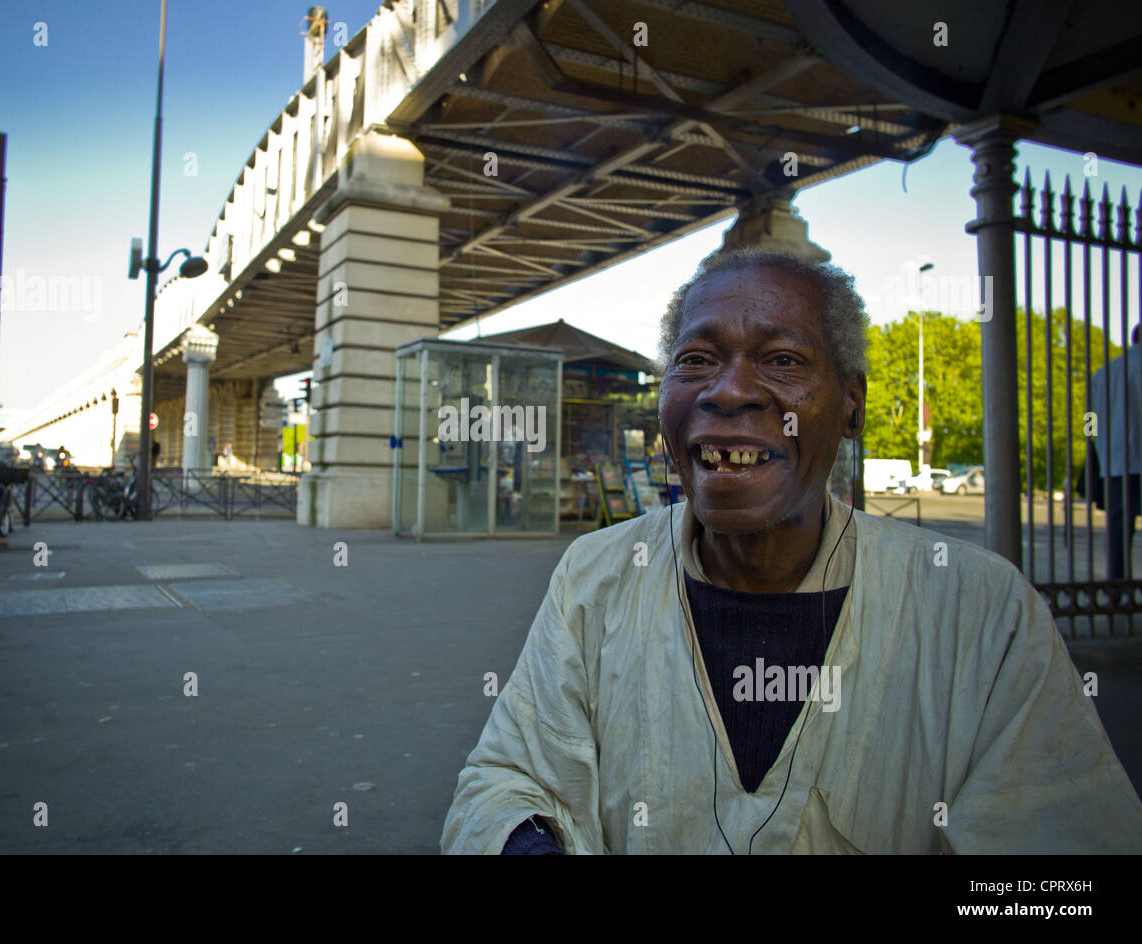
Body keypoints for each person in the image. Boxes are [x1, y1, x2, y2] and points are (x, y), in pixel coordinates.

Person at [441, 248, 1142, 854]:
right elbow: (507, 780)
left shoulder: (981, 611)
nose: (730, 389)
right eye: (696, 360)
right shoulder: (594, 576)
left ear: (851, 405)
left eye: (781, 360)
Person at [1088, 324, 1142, 580]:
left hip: (1116, 462)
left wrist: (1098, 448)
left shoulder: (1103, 374)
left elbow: (1090, 420)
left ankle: (1117, 586)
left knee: (1119, 530)